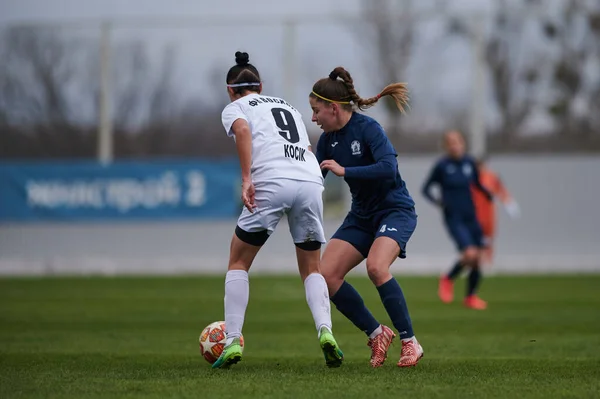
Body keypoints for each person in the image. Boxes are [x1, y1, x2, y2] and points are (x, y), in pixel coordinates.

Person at [212, 52, 343, 369]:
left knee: (238, 261)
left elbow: (243, 132)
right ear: (262, 85)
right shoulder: (287, 106)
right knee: (312, 268)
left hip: (271, 180)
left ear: (230, 90)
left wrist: (246, 180)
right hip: (309, 179)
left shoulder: (235, 108)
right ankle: (325, 331)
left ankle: (231, 341)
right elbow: (308, 149)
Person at [310, 67, 423, 368]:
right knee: (326, 276)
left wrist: (345, 171)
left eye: (316, 110)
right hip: (361, 216)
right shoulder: (327, 141)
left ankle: (410, 343)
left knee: (376, 266)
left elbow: (388, 168)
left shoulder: (369, 129)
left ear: (333, 108)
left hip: (394, 210)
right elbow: (312, 179)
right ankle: (377, 333)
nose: (313, 118)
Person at [422, 130, 494, 310]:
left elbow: (477, 183)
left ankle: (470, 297)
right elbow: (426, 189)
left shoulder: (469, 162)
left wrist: (487, 193)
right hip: (454, 217)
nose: (455, 145)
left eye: (458, 142)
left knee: (477, 258)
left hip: (471, 214)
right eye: (451, 142)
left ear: (463, 143)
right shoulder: (442, 166)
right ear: (446, 146)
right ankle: (448, 278)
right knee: (469, 253)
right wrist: (438, 202)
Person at [472, 157, 520, 266]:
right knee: (475, 239)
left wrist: (509, 204)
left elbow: (501, 191)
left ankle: (488, 261)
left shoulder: (492, 177)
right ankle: (476, 262)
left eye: (481, 165)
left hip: (488, 213)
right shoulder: (471, 179)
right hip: (474, 213)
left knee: (488, 239)